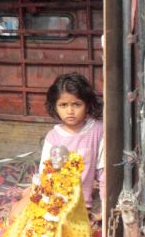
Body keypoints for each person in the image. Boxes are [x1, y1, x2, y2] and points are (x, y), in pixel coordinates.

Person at [39, 73, 104, 212]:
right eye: (63, 105)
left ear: (87, 105)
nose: (70, 111)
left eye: (76, 104)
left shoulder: (98, 131)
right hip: (57, 203)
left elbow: (103, 173)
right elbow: (45, 176)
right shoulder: (53, 137)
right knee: (19, 212)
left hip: (82, 206)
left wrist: (105, 209)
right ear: (55, 107)